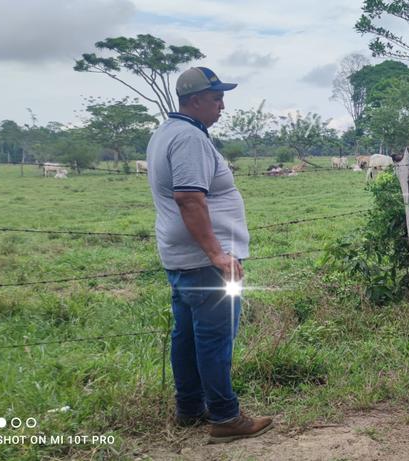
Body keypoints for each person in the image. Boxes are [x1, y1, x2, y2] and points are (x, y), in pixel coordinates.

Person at [146, 66, 273, 443]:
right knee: (215, 337)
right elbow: (189, 197)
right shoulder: (189, 139)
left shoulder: (165, 133)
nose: (222, 105)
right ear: (195, 100)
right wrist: (218, 254)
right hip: (204, 260)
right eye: (216, 98)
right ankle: (225, 416)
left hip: (180, 257)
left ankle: (190, 407)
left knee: (186, 334)